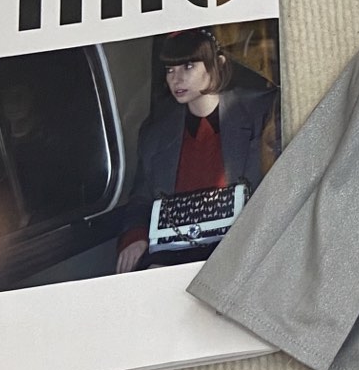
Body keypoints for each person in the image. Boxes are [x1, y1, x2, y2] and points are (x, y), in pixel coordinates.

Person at [115, 28, 280, 273]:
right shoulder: (156, 132)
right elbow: (141, 199)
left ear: (217, 65)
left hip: (240, 248)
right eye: (170, 70)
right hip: (174, 250)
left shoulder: (262, 111)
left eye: (188, 66)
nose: (176, 79)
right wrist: (135, 236)